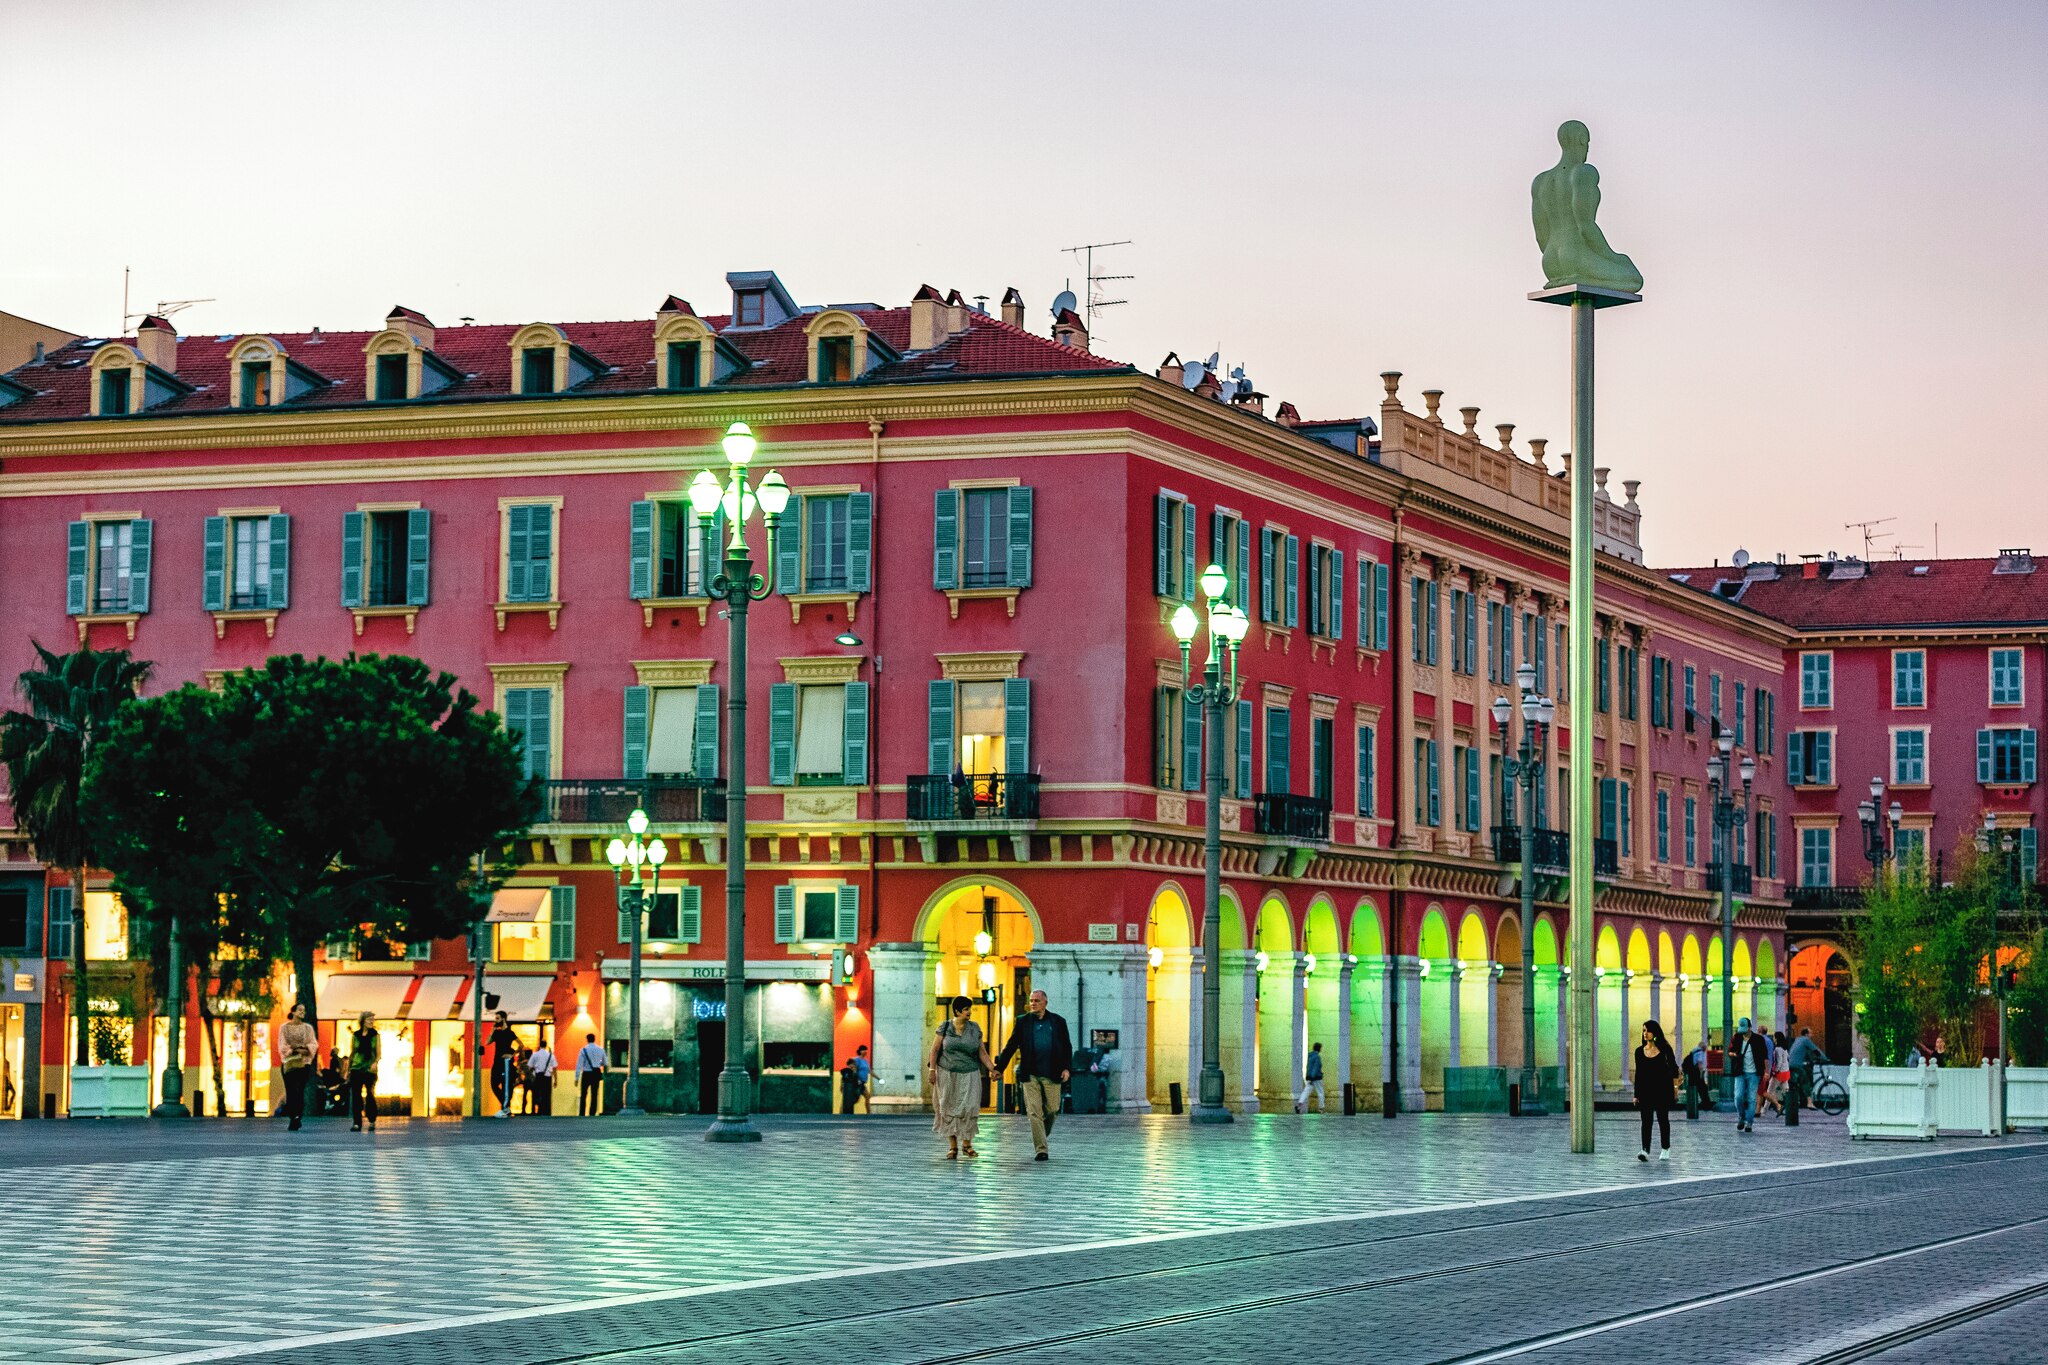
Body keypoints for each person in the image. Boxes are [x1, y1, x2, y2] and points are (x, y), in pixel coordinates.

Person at [993, 989, 1074, 1162]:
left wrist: (1067, 1068)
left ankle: (1041, 1135)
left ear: (1045, 1002)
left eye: (1037, 1000)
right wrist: (999, 1068)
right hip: (1030, 1074)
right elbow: (1011, 1046)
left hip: (1052, 1073)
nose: (1033, 1003)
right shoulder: (1023, 1022)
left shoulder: (1058, 1022)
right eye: (1031, 1000)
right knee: (1034, 1112)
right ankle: (1041, 1149)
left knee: (1052, 1109)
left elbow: (1067, 1047)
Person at [928, 995, 992, 1159]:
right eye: (966, 1009)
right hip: (947, 1073)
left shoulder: (974, 1028)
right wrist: (932, 1070)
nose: (969, 1012)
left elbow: (982, 1053)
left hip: (970, 1072)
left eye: (969, 1009)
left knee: (969, 1108)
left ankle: (967, 1144)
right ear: (957, 1011)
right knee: (947, 1107)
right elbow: (935, 1050)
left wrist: (992, 1069)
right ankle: (953, 1147)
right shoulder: (945, 1027)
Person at [1634, 1019, 1679, 1161]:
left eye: (1648, 1030)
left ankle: (1665, 1148)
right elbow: (1638, 1074)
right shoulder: (1639, 1052)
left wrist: (1675, 1090)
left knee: (1662, 1120)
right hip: (1646, 1091)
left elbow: (1674, 1070)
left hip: (1662, 1090)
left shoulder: (1665, 1049)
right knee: (1646, 1121)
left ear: (1655, 1032)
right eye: (1643, 1030)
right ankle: (1644, 1150)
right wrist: (1636, 1095)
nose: (1645, 1033)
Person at [278, 1001, 317, 1131]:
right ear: (293, 1012)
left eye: (303, 1010)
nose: (302, 1012)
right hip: (288, 1063)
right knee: (290, 1090)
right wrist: (292, 1049)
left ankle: (297, 1116)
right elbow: (282, 1045)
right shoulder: (285, 1027)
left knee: (300, 1090)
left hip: (303, 1063)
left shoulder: (308, 1028)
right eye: (299, 1010)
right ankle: (292, 1116)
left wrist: (304, 1049)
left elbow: (313, 1044)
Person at [1729, 1017, 1769, 1133]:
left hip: (1754, 1073)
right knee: (1738, 1097)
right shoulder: (1736, 1037)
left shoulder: (1759, 1039)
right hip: (1740, 1072)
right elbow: (1729, 1052)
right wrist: (1735, 1055)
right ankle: (1741, 1116)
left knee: (1752, 1099)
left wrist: (1767, 1071)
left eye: (1745, 1030)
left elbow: (1765, 1057)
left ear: (1750, 1028)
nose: (1743, 1032)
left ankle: (1749, 1122)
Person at [347, 1011, 381, 1132]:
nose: (372, 1021)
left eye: (373, 1019)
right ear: (363, 1021)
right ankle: (357, 1122)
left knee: (370, 1094)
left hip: (369, 1069)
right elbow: (352, 1052)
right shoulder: (356, 1035)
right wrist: (348, 1069)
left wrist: (375, 1063)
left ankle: (372, 1120)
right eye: (369, 1019)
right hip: (356, 1068)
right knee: (356, 1096)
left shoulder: (375, 1035)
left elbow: (378, 1053)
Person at [484, 1010, 518, 1118]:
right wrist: (492, 1030)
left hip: (506, 1063)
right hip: (496, 1062)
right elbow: (487, 1042)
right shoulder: (497, 1033)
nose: (496, 1020)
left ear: (503, 1019)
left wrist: (512, 1055)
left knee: (505, 1086)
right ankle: (505, 1107)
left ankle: (505, 1108)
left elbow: (521, 1045)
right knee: (494, 1084)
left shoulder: (510, 1033)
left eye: (498, 1018)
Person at [1788, 1028, 1824, 1106]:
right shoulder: (1805, 1040)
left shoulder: (1798, 1040)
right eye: (1811, 1033)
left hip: (1790, 1064)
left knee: (1797, 1081)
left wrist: (1811, 1060)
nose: (1812, 1035)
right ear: (1807, 1034)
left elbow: (1806, 1052)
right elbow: (1816, 1050)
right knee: (1806, 1081)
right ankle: (1809, 1102)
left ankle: (1799, 1099)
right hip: (1797, 1064)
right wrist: (1825, 1058)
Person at [574, 1033, 607, 1116]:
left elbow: (579, 1064)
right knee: (594, 1094)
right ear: (594, 1039)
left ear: (587, 1039)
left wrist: (577, 1077)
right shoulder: (601, 1050)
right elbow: (605, 1062)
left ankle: (582, 1113)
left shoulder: (583, 1050)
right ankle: (592, 1112)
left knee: (584, 1094)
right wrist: (598, 1063)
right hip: (595, 1074)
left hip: (586, 1074)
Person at [1681, 1035, 1713, 1111]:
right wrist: (1701, 1074)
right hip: (1697, 1074)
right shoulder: (1700, 1052)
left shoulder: (1693, 1051)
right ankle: (1706, 1104)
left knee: (1692, 1087)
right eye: (1705, 1048)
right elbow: (1700, 1064)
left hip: (1691, 1074)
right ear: (1703, 1047)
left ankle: (1691, 1103)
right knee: (1703, 1089)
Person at [526, 1038, 557, 1116]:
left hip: (538, 1076)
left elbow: (529, 1067)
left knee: (538, 1093)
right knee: (546, 1095)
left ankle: (538, 1111)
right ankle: (546, 1112)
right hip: (547, 1077)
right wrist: (555, 1080)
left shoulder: (535, 1055)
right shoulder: (550, 1055)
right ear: (546, 1045)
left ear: (540, 1045)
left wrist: (532, 1074)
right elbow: (554, 1068)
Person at [1296, 1042, 1327, 1113]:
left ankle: (1299, 1105)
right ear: (1319, 1048)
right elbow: (1316, 1067)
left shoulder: (1309, 1056)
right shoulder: (1317, 1057)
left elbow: (1309, 1067)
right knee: (1320, 1092)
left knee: (1306, 1091)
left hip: (1310, 1077)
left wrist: (1308, 1076)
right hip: (1316, 1077)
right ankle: (1321, 1108)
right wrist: (1313, 1077)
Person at [315, 1048, 346, 1116]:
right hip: (335, 1078)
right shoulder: (338, 1060)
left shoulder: (334, 1060)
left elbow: (335, 1070)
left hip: (333, 1078)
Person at [852, 1044, 871, 1113]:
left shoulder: (865, 1061)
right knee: (855, 1099)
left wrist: (878, 1078)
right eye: (863, 1050)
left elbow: (869, 1071)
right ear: (860, 1051)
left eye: (866, 1050)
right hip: (858, 1083)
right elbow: (854, 1070)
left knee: (867, 1096)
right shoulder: (857, 1060)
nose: (865, 1051)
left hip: (863, 1082)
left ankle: (869, 1113)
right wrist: (858, 1080)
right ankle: (844, 1111)